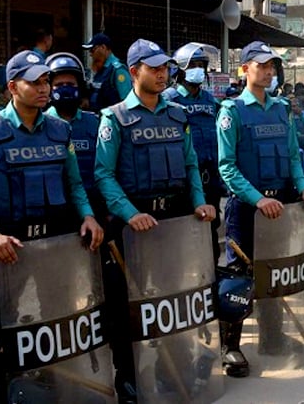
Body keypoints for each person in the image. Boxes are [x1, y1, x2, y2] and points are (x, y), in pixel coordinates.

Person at [0, 50, 104, 402]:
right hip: (8, 246)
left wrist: (87, 215)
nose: (45, 89)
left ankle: (52, 382)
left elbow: (74, 184)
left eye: (46, 82)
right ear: (12, 86)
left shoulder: (60, 130)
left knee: (56, 315)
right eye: (35, 82)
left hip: (54, 243)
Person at [94, 38, 215, 399]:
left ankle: (172, 371)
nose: (163, 74)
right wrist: (131, 215)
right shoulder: (113, 119)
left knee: (175, 302)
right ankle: (129, 379)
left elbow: (191, 163)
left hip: (173, 225)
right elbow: (103, 174)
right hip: (132, 229)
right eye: (154, 68)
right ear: (134, 72)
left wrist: (199, 202)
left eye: (165, 67)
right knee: (128, 308)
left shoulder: (178, 115)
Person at [216, 41, 304, 376]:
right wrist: (258, 199)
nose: (269, 71)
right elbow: (227, 167)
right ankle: (230, 346)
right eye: (261, 65)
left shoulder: (280, 109)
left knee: (276, 271)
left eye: (272, 66)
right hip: (248, 209)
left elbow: (292, 156)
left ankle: (271, 336)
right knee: (240, 278)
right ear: (245, 69)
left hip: (282, 206)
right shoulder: (232, 112)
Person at [162, 42, 224, 264]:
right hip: (185, 179)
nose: (198, 69)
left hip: (210, 179)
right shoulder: (169, 100)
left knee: (210, 233)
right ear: (179, 69)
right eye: (192, 65)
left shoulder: (209, 100)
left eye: (201, 65)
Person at [44, 53, 103, 213]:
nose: (65, 88)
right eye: (59, 84)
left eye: (70, 83)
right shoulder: (40, 125)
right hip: (55, 210)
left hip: (93, 208)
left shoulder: (95, 123)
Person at [82, 33, 132, 112]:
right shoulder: (100, 70)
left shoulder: (117, 70)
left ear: (103, 47)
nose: (90, 54)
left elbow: (127, 101)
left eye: (92, 50)